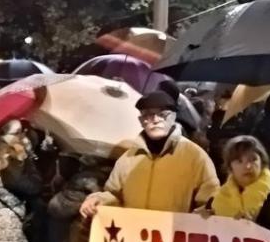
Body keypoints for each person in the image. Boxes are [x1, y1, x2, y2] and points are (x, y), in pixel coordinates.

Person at [81, 91, 219, 218]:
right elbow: (114, 194)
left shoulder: (195, 157)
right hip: (132, 235)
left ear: (173, 117)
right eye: (147, 114)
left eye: (162, 114)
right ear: (141, 121)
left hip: (173, 238)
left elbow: (210, 200)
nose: (155, 119)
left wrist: (203, 215)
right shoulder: (128, 158)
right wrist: (99, 200)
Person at [206, 135, 270, 233]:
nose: (247, 166)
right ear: (230, 167)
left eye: (253, 159)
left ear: (262, 163)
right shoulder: (215, 202)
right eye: (239, 161)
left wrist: (256, 229)